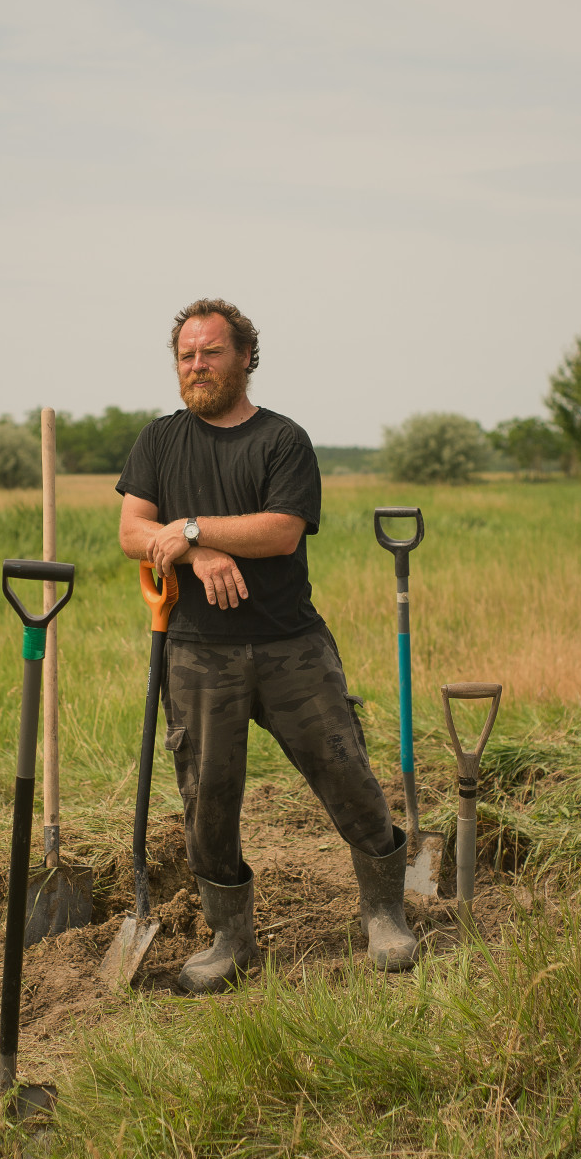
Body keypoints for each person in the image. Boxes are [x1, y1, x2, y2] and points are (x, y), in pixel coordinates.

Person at [116, 298, 418, 993]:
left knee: (348, 776)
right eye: (186, 355)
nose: (197, 365)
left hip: (290, 648)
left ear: (245, 358)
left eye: (211, 352)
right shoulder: (158, 442)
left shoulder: (282, 440)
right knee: (207, 798)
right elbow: (135, 531)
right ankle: (231, 938)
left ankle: (384, 912)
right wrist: (197, 557)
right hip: (195, 651)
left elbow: (281, 531)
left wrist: (191, 530)